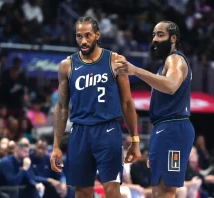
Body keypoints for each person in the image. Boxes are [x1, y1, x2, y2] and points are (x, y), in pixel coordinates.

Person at [50, 16, 141, 198]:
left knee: (112, 189)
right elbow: (61, 107)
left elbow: (127, 103)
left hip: (108, 130)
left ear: (97, 35)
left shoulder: (115, 61)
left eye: (88, 35)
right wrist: (56, 145)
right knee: (82, 191)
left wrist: (135, 140)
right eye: (79, 36)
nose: (83, 41)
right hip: (79, 132)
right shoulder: (67, 65)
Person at [115, 21, 195, 198]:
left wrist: (135, 70)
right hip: (164, 128)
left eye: (160, 35)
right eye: (154, 35)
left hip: (174, 127)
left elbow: (172, 85)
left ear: (173, 38)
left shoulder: (175, 59)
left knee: (166, 189)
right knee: (159, 189)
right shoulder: (164, 64)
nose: (155, 40)